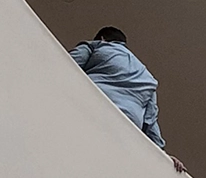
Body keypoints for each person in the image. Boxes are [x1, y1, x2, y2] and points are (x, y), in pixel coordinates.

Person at [71, 27, 183, 170]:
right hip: (126, 130)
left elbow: (68, 64)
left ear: (102, 38)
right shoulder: (148, 77)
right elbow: (150, 120)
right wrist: (162, 154)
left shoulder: (96, 46)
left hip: (90, 106)